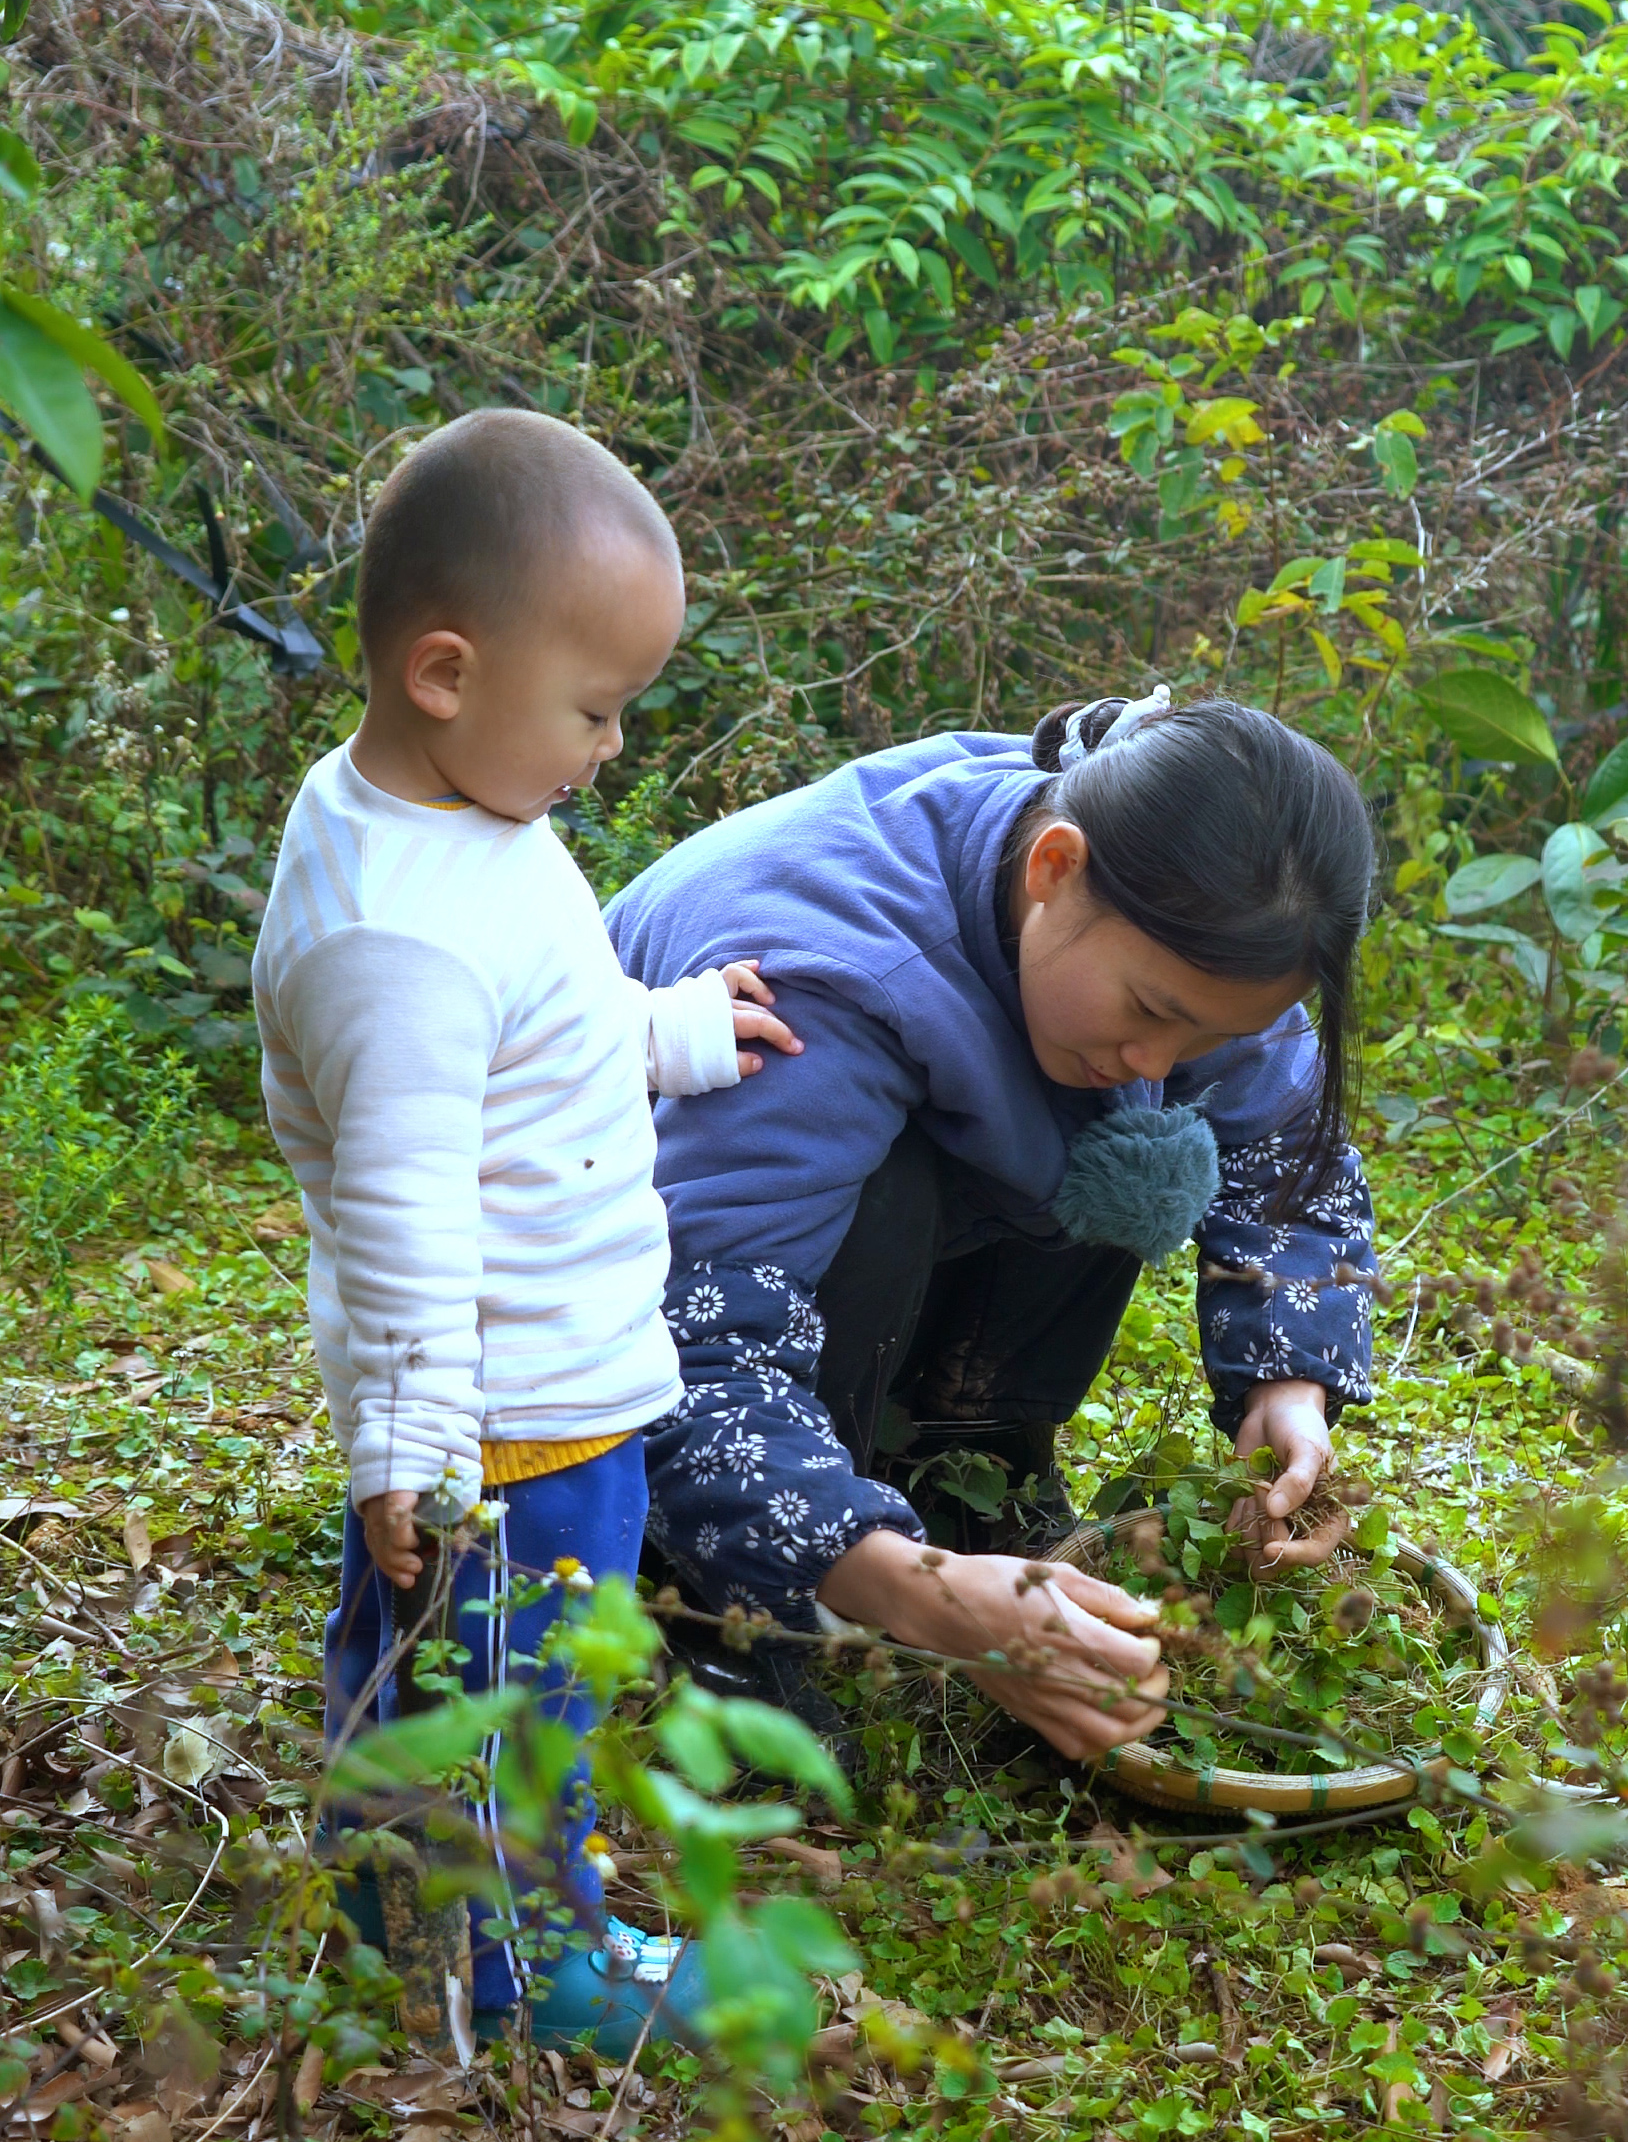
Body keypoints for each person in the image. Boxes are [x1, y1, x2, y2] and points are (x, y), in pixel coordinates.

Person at [253, 407, 797, 2059]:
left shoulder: (462, 827)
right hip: (507, 1421)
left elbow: (544, 1023)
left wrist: (674, 1032)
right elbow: (405, 1212)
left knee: (406, 1663)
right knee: (519, 1691)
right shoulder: (393, 942)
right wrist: (417, 1456)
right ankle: (512, 1966)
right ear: (443, 673)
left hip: (530, 1389)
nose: (608, 749)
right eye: (595, 709)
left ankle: (365, 1899)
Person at [607, 691, 1378, 1765]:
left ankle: (963, 1462)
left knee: (1135, 1136)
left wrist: (1284, 1385)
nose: (1164, 1059)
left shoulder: (1189, 925)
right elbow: (679, 1343)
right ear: (1053, 870)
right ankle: (703, 1582)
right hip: (594, 1283)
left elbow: (1282, 1142)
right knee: (900, 1181)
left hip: (842, 1189)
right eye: (1155, 1014)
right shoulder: (817, 990)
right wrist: (910, 1591)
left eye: (1211, 1031)